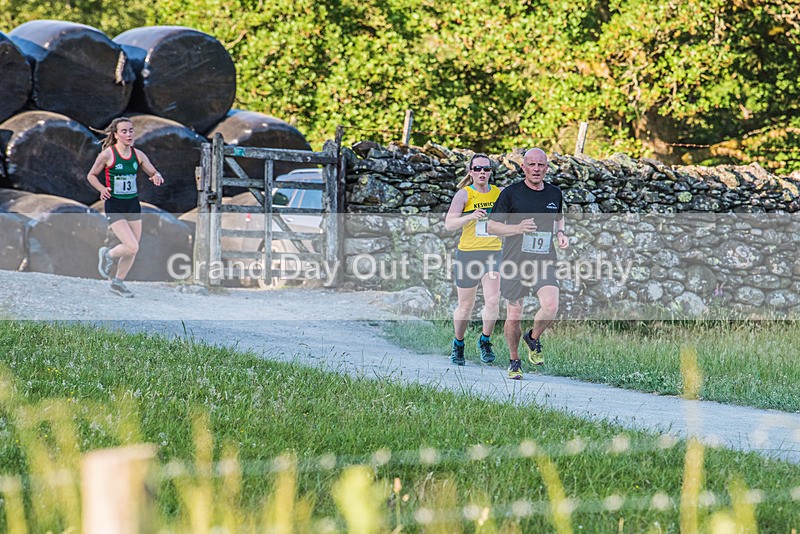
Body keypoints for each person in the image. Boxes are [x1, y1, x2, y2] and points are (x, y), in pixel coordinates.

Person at [487, 148, 569, 380]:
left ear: (546, 167)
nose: (536, 169)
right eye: (531, 165)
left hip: (544, 261)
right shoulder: (511, 194)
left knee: (551, 306)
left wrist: (561, 233)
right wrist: (517, 228)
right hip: (514, 263)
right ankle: (514, 361)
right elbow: (492, 227)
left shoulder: (554, 193)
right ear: (523, 168)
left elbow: (559, 217)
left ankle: (532, 337)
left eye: (540, 165)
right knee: (514, 315)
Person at [87, 117, 164, 298]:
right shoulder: (107, 155)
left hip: (132, 204)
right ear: (116, 135)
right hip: (114, 204)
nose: (129, 134)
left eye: (131, 130)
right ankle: (107, 254)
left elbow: (153, 172)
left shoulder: (139, 155)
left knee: (133, 248)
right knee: (132, 246)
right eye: (124, 131)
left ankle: (118, 283)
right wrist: (101, 188)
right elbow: (91, 175)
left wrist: (156, 176)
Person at [444, 153, 502, 366]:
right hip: (468, 254)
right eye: (477, 169)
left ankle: (485, 340)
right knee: (465, 306)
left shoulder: (499, 193)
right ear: (470, 172)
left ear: (490, 172)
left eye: (486, 169)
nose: (482, 173)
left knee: (493, 300)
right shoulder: (464, 194)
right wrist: (470, 216)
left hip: (493, 253)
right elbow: (449, 224)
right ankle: (458, 343)